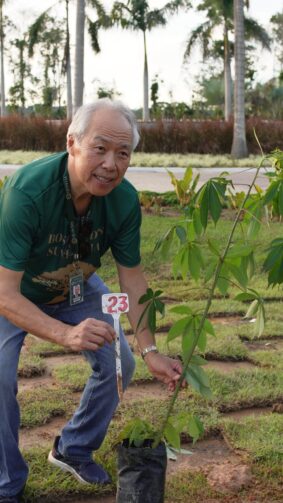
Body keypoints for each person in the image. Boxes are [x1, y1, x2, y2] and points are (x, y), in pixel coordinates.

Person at [0, 99, 183, 503]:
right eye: (100, 148)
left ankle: (73, 448)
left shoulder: (123, 200)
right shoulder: (28, 191)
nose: (111, 164)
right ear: (72, 143)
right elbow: (4, 293)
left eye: (123, 153)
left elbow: (132, 278)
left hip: (74, 285)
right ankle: (6, 482)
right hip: (12, 293)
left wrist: (151, 348)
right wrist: (64, 334)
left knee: (121, 363)